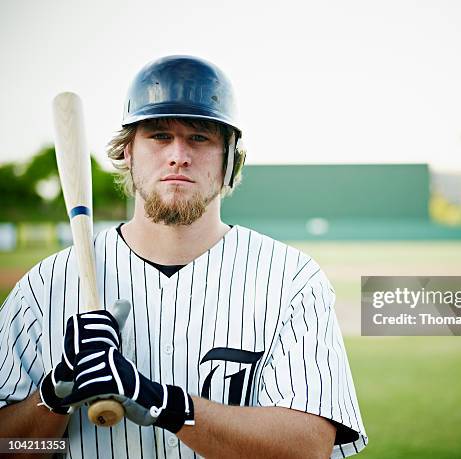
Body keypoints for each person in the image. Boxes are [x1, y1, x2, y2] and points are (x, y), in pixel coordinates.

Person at [0, 55, 367, 458]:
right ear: (128, 153)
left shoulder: (290, 280)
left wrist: (165, 404)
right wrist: (53, 397)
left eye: (200, 137)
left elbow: (308, 448)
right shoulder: (45, 287)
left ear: (231, 160)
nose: (178, 155)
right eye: (159, 136)